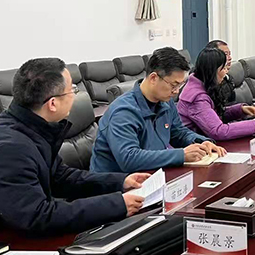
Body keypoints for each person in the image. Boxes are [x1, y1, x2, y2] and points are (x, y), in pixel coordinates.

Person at [0, 58, 150, 248]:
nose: (75, 95)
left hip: (14, 231)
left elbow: (60, 177)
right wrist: (115, 205)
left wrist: (120, 182)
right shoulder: (9, 148)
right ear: (53, 103)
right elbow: (37, 216)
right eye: (72, 90)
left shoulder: (31, 127)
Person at [91, 47, 226, 173]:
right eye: (173, 85)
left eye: (180, 85)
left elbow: (178, 133)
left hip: (152, 175)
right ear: (154, 78)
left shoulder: (165, 101)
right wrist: (181, 155)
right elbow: (129, 158)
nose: (176, 91)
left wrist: (201, 142)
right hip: (116, 184)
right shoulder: (123, 111)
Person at [178, 48, 255, 140]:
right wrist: (254, 125)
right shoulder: (197, 98)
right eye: (223, 68)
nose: (226, 72)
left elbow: (213, 115)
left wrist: (240, 110)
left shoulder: (203, 84)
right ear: (212, 71)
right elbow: (218, 131)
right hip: (194, 145)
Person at [205, 39, 236, 104]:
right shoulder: (204, 82)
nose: (230, 58)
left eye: (229, 54)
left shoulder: (228, 79)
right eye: (225, 54)